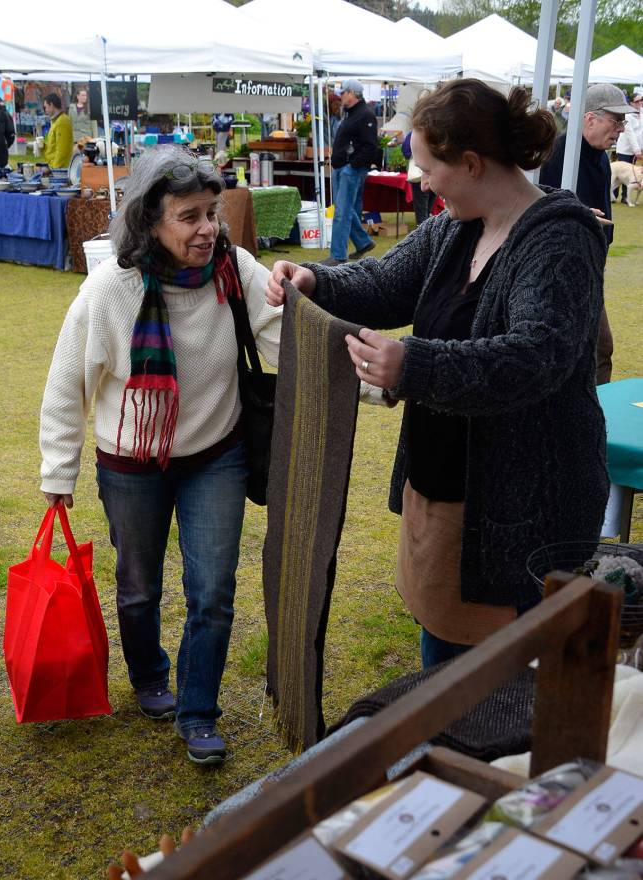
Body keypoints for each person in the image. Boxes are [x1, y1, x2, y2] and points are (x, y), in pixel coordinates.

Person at [267, 79, 609, 670]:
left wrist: (413, 364)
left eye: (428, 169)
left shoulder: (559, 239)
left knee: (496, 685)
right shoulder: (455, 225)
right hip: (447, 492)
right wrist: (316, 279)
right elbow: (386, 282)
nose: (422, 183)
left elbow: (536, 356)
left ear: (471, 163)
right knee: (444, 662)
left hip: (522, 509)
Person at [39, 148, 282, 765]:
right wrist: (58, 470)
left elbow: (289, 337)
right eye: (189, 217)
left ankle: (199, 712)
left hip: (216, 455)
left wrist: (374, 378)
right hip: (131, 463)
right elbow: (68, 383)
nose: (208, 229)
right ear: (150, 222)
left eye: (212, 213)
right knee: (138, 587)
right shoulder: (110, 289)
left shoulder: (234, 268)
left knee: (212, 590)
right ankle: (148, 674)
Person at [540, 82, 631, 384]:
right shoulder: (556, 154)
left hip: (589, 268)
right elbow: (531, 203)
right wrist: (571, 211)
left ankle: (591, 410)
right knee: (587, 351)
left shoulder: (602, 157)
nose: (620, 129)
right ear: (590, 118)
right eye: (616, 120)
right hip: (556, 271)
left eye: (623, 121)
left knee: (599, 350)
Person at [322, 78, 378, 267]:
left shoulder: (365, 115)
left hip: (350, 170)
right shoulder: (352, 114)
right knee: (344, 209)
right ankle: (363, 242)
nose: (341, 96)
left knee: (342, 212)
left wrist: (352, 165)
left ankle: (338, 255)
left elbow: (370, 146)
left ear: (353, 93)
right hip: (343, 168)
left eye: (344, 92)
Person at [402, 129, 436, 225]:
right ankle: (427, 229)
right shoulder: (438, 131)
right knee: (428, 208)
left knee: (422, 210)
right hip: (436, 174)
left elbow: (406, 151)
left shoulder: (415, 132)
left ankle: (424, 230)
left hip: (420, 175)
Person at [614, 91, 642, 203]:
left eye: (641, 100)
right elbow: (630, 133)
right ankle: (613, 196)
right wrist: (637, 150)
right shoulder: (627, 115)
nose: (640, 102)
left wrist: (640, 148)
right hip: (624, 150)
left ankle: (625, 197)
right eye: (637, 101)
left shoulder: (642, 113)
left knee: (631, 175)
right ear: (631, 103)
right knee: (620, 173)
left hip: (636, 149)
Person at [40, 93, 73, 168]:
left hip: (60, 169)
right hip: (53, 165)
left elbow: (62, 151)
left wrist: (54, 169)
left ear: (51, 105)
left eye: (45, 107)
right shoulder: (56, 121)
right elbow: (53, 146)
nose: (45, 110)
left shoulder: (62, 121)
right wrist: (43, 147)